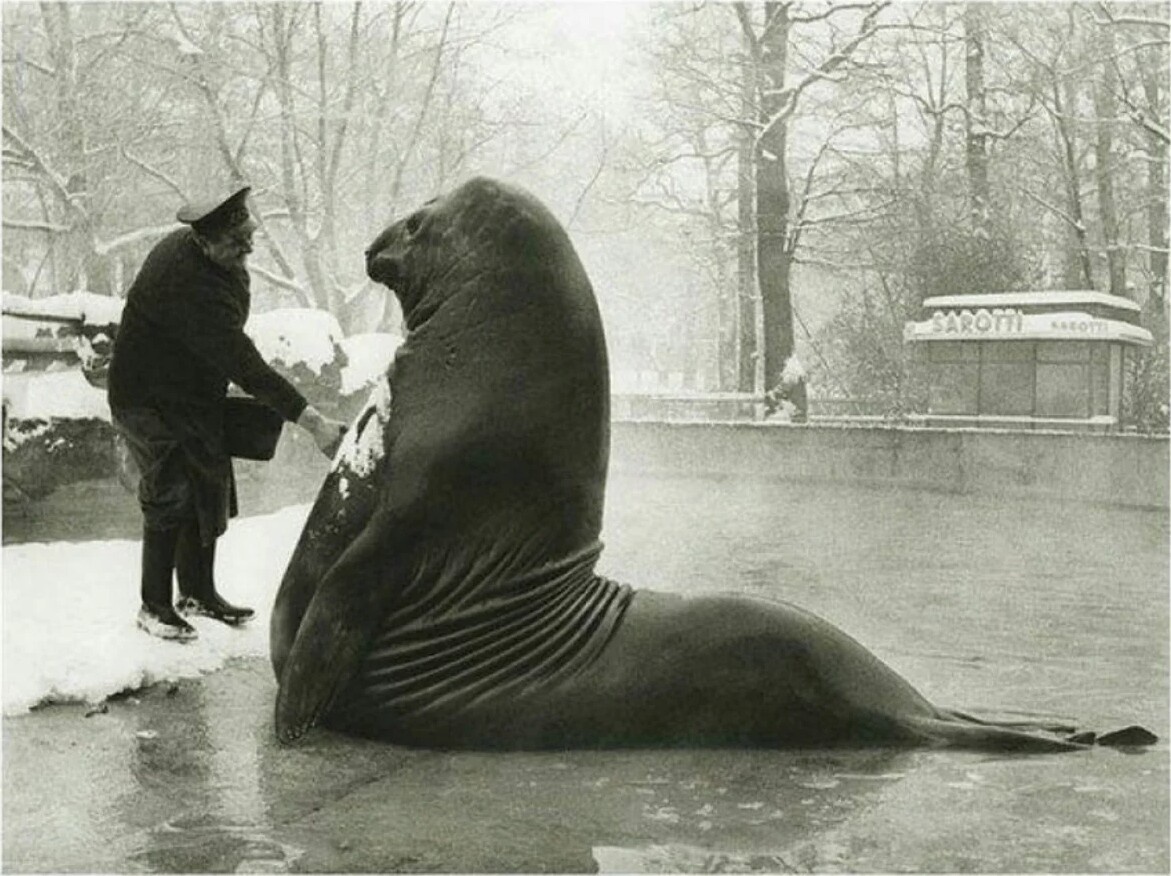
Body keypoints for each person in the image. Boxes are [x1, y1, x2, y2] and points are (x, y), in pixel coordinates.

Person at [108, 186, 347, 642]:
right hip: (145, 399)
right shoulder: (186, 282)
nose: (249, 247)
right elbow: (245, 363)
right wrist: (312, 421)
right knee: (170, 489)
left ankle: (197, 593)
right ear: (203, 241)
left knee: (209, 479)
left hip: (191, 393)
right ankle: (154, 605)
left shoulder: (213, 259)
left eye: (249, 233)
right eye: (237, 242)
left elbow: (226, 341)